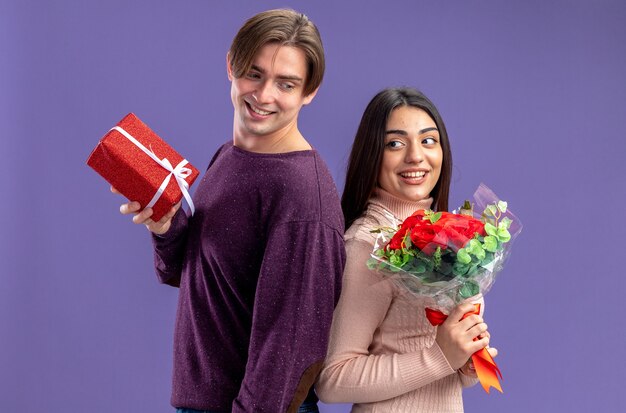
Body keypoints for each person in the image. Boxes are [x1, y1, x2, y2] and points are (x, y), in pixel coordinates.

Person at [113, 9, 345, 413]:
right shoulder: (230, 155)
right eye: (254, 74)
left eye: (286, 84)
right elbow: (194, 274)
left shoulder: (303, 194)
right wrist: (167, 228)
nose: (264, 95)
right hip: (202, 402)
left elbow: (289, 346)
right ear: (230, 67)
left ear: (310, 91)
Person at [315, 87, 498, 412]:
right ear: (372, 153)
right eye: (395, 143)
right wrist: (438, 357)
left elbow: (435, 362)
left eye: (428, 140)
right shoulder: (368, 243)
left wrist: (465, 363)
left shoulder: (448, 239)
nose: (415, 155)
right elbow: (333, 379)